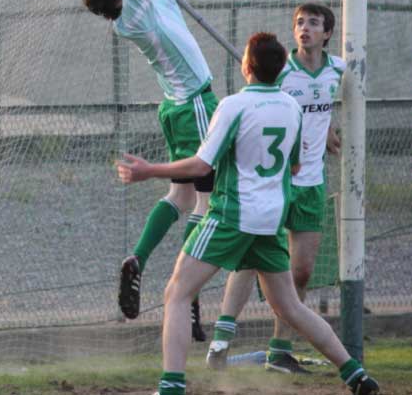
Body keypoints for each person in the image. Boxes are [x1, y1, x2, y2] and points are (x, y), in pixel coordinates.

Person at [116, 32, 379, 395]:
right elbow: (298, 165)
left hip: (232, 216)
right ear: (279, 70)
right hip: (270, 220)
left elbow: (200, 165)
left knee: (177, 293)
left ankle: (171, 387)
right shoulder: (290, 107)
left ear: (246, 67)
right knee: (291, 307)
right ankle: (355, 374)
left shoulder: (233, 106)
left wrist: (150, 170)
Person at [69, 0, 219, 339]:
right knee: (208, 201)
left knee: (180, 195)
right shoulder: (133, 11)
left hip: (174, 106)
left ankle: (137, 257)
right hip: (195, 102)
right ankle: (190, 291)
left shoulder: (138, 1)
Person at [207, 2, 347, 373]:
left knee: (300, 272)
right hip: (276, 184)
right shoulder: (281, 71)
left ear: (327, 33)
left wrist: (329, 127)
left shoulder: (337, 69)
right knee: (251, 260)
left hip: (312, 183)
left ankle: (279, 350)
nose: (304, 29)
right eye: (299, 23)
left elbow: (325, 105)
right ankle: (221, 341)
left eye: (313, 23)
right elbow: (256, 107)